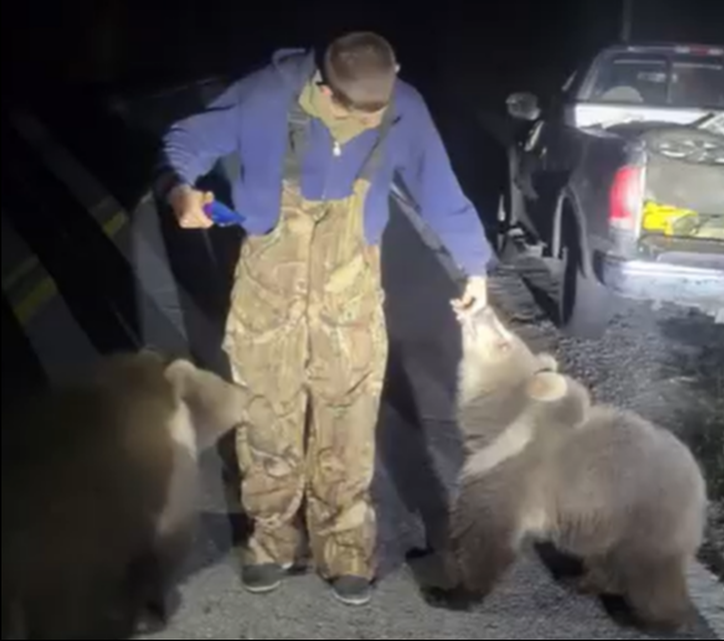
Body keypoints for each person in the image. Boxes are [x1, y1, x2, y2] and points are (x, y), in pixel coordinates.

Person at [158, 32, 493, 607]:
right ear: (326, 89)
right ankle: (271, 543)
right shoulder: (268, 94)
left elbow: (439, 186)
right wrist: (179, 189)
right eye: (357, 111)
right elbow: (188, 138)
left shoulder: (404, 105)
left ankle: (345, 551)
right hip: (269, 283)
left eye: (379, 110)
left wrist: (476, 267)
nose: (370, 119)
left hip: (351, 288)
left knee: (349, 419)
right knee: (265, 414)